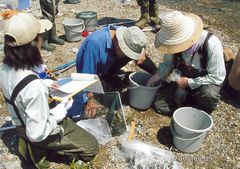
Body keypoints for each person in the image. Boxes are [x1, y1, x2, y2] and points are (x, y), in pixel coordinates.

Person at [0, 13, 98, 168]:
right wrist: (59, 113)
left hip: (21, 121)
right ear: (34, 43)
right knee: (92, 147)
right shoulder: (34, 88)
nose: (41, 38)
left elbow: (19, 90)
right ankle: (37, 149)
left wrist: (44, 83)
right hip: (34, 131)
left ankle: (31, 143)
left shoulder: (5, 68)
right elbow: (37, 133)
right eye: (40, 35)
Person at [68, 25, 158, 119]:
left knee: (135, 65)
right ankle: (105, 81)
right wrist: (90, 99)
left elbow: (139, 51)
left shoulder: (125, 32)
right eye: (127, 51)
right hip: (94, 75)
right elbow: (86, 76)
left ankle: (111, 78)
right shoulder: (94, 44)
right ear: (119, 42)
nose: (128, 56)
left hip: (108, 67)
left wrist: (157, 74)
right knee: (85, 107)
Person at [147, 11, 226, 116]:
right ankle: (188, 106)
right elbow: (168, 64)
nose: (175, 46)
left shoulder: (211, 44)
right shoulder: (172, 45)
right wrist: (156, 77)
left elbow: (217, 77)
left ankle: (197, 110)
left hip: (204, 83)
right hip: (182, 79)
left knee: (209, 94)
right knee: (159, 105)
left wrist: (189, 82)